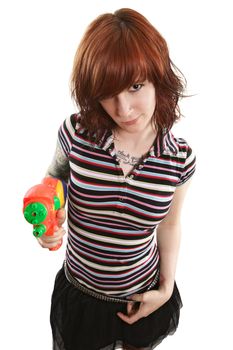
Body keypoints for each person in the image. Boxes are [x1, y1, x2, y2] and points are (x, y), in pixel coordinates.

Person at [37, 8, 196, 350]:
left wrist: (166, 287)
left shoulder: (180, 158)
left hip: (143, 297)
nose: (123, 109)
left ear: (158, 77)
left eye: (135, 86)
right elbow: (54, 182)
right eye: (109, 92)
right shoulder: (76, 132)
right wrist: (48, 221)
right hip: (81, 296)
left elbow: (169, 224)